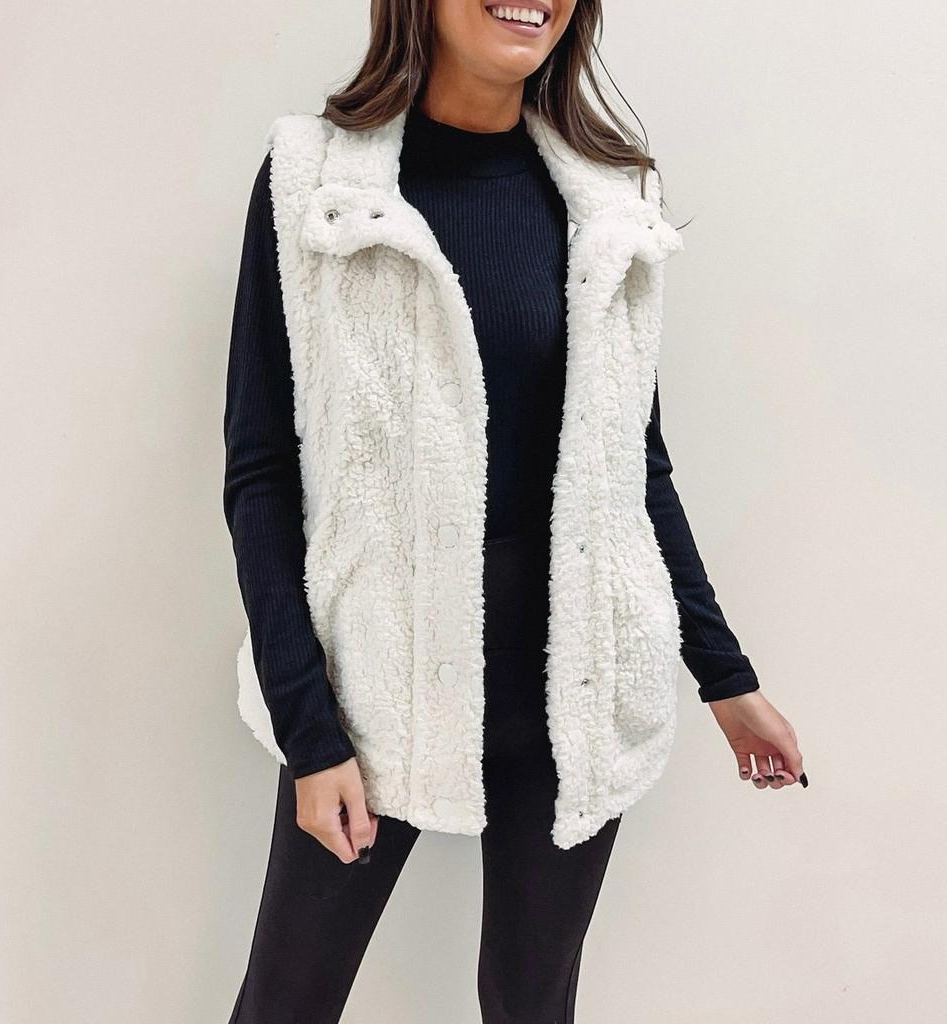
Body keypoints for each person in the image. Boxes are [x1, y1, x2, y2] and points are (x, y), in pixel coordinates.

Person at [222, 2, 807, 1021]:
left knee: (532, 1006)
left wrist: (726, 676)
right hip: (378, 691)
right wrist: (311, 736)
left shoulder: (612, 199)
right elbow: (263, 473)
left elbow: (633, 467)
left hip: (576, 684)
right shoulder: (315, 181)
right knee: (287, 1001)